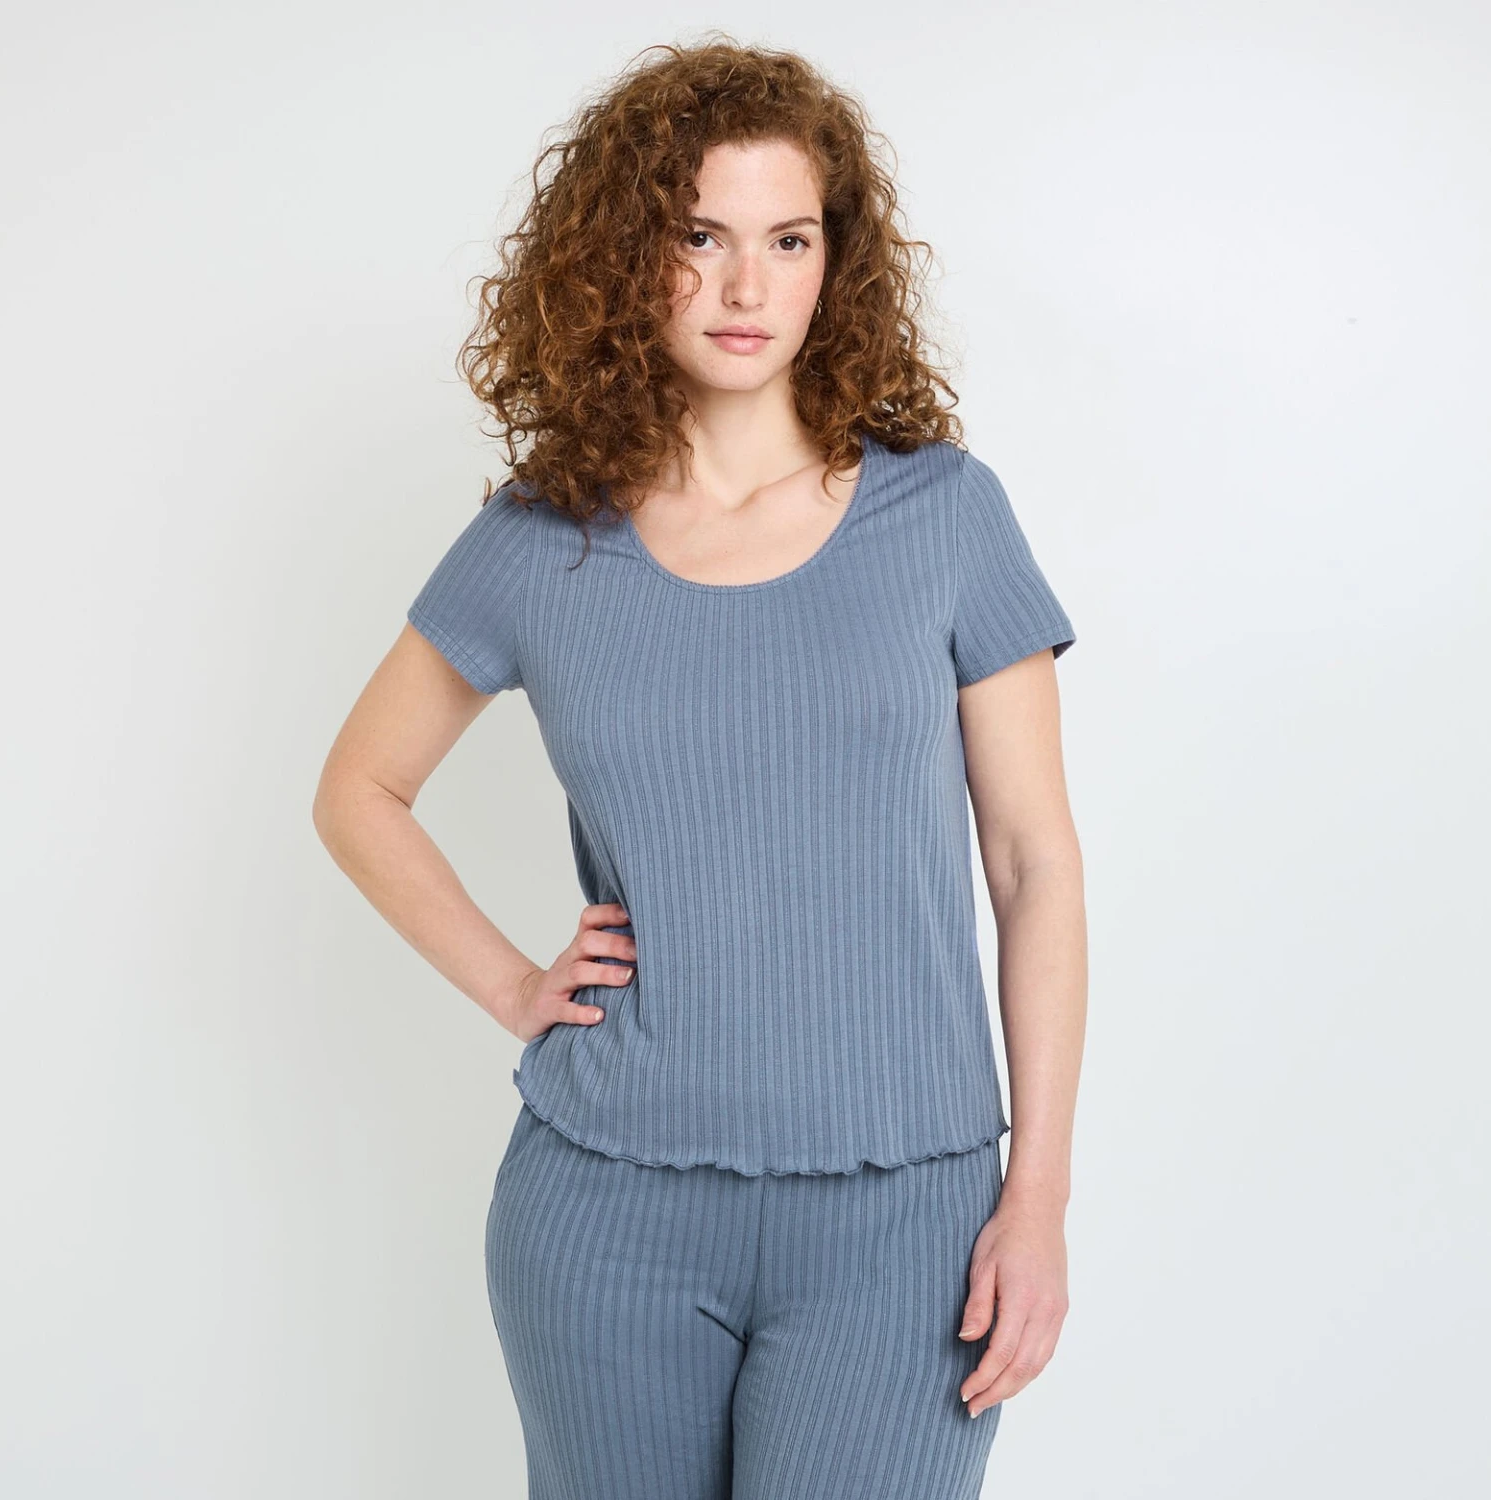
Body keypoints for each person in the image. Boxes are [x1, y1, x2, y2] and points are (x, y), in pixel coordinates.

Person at [313, 35, 1087, 1500]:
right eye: (700, 237)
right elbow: (358, 790)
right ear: (626, 257)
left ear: (833, 262)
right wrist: (514, 988)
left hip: (905, 1220)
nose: (747, 287)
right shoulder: (540, 540)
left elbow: (1034, 866)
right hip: (607, 1216)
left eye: (788, 240)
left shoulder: (945, 515)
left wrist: (1036, 1194)